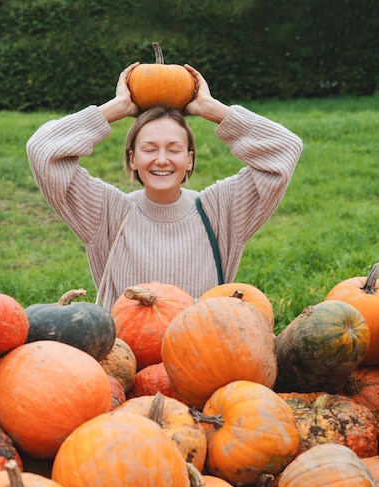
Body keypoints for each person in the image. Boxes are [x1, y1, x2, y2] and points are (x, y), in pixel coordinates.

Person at [26, 62, 303, 311]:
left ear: (189, 159)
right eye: (149, 149)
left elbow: (286, 148)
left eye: (174, 149)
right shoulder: (107, 211)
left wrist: (212, 109)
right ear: (132, 158)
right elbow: (42, 148)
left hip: (204, 355)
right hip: (127, 361)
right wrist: (115, 108)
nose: (161, 159)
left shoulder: (221, 209)